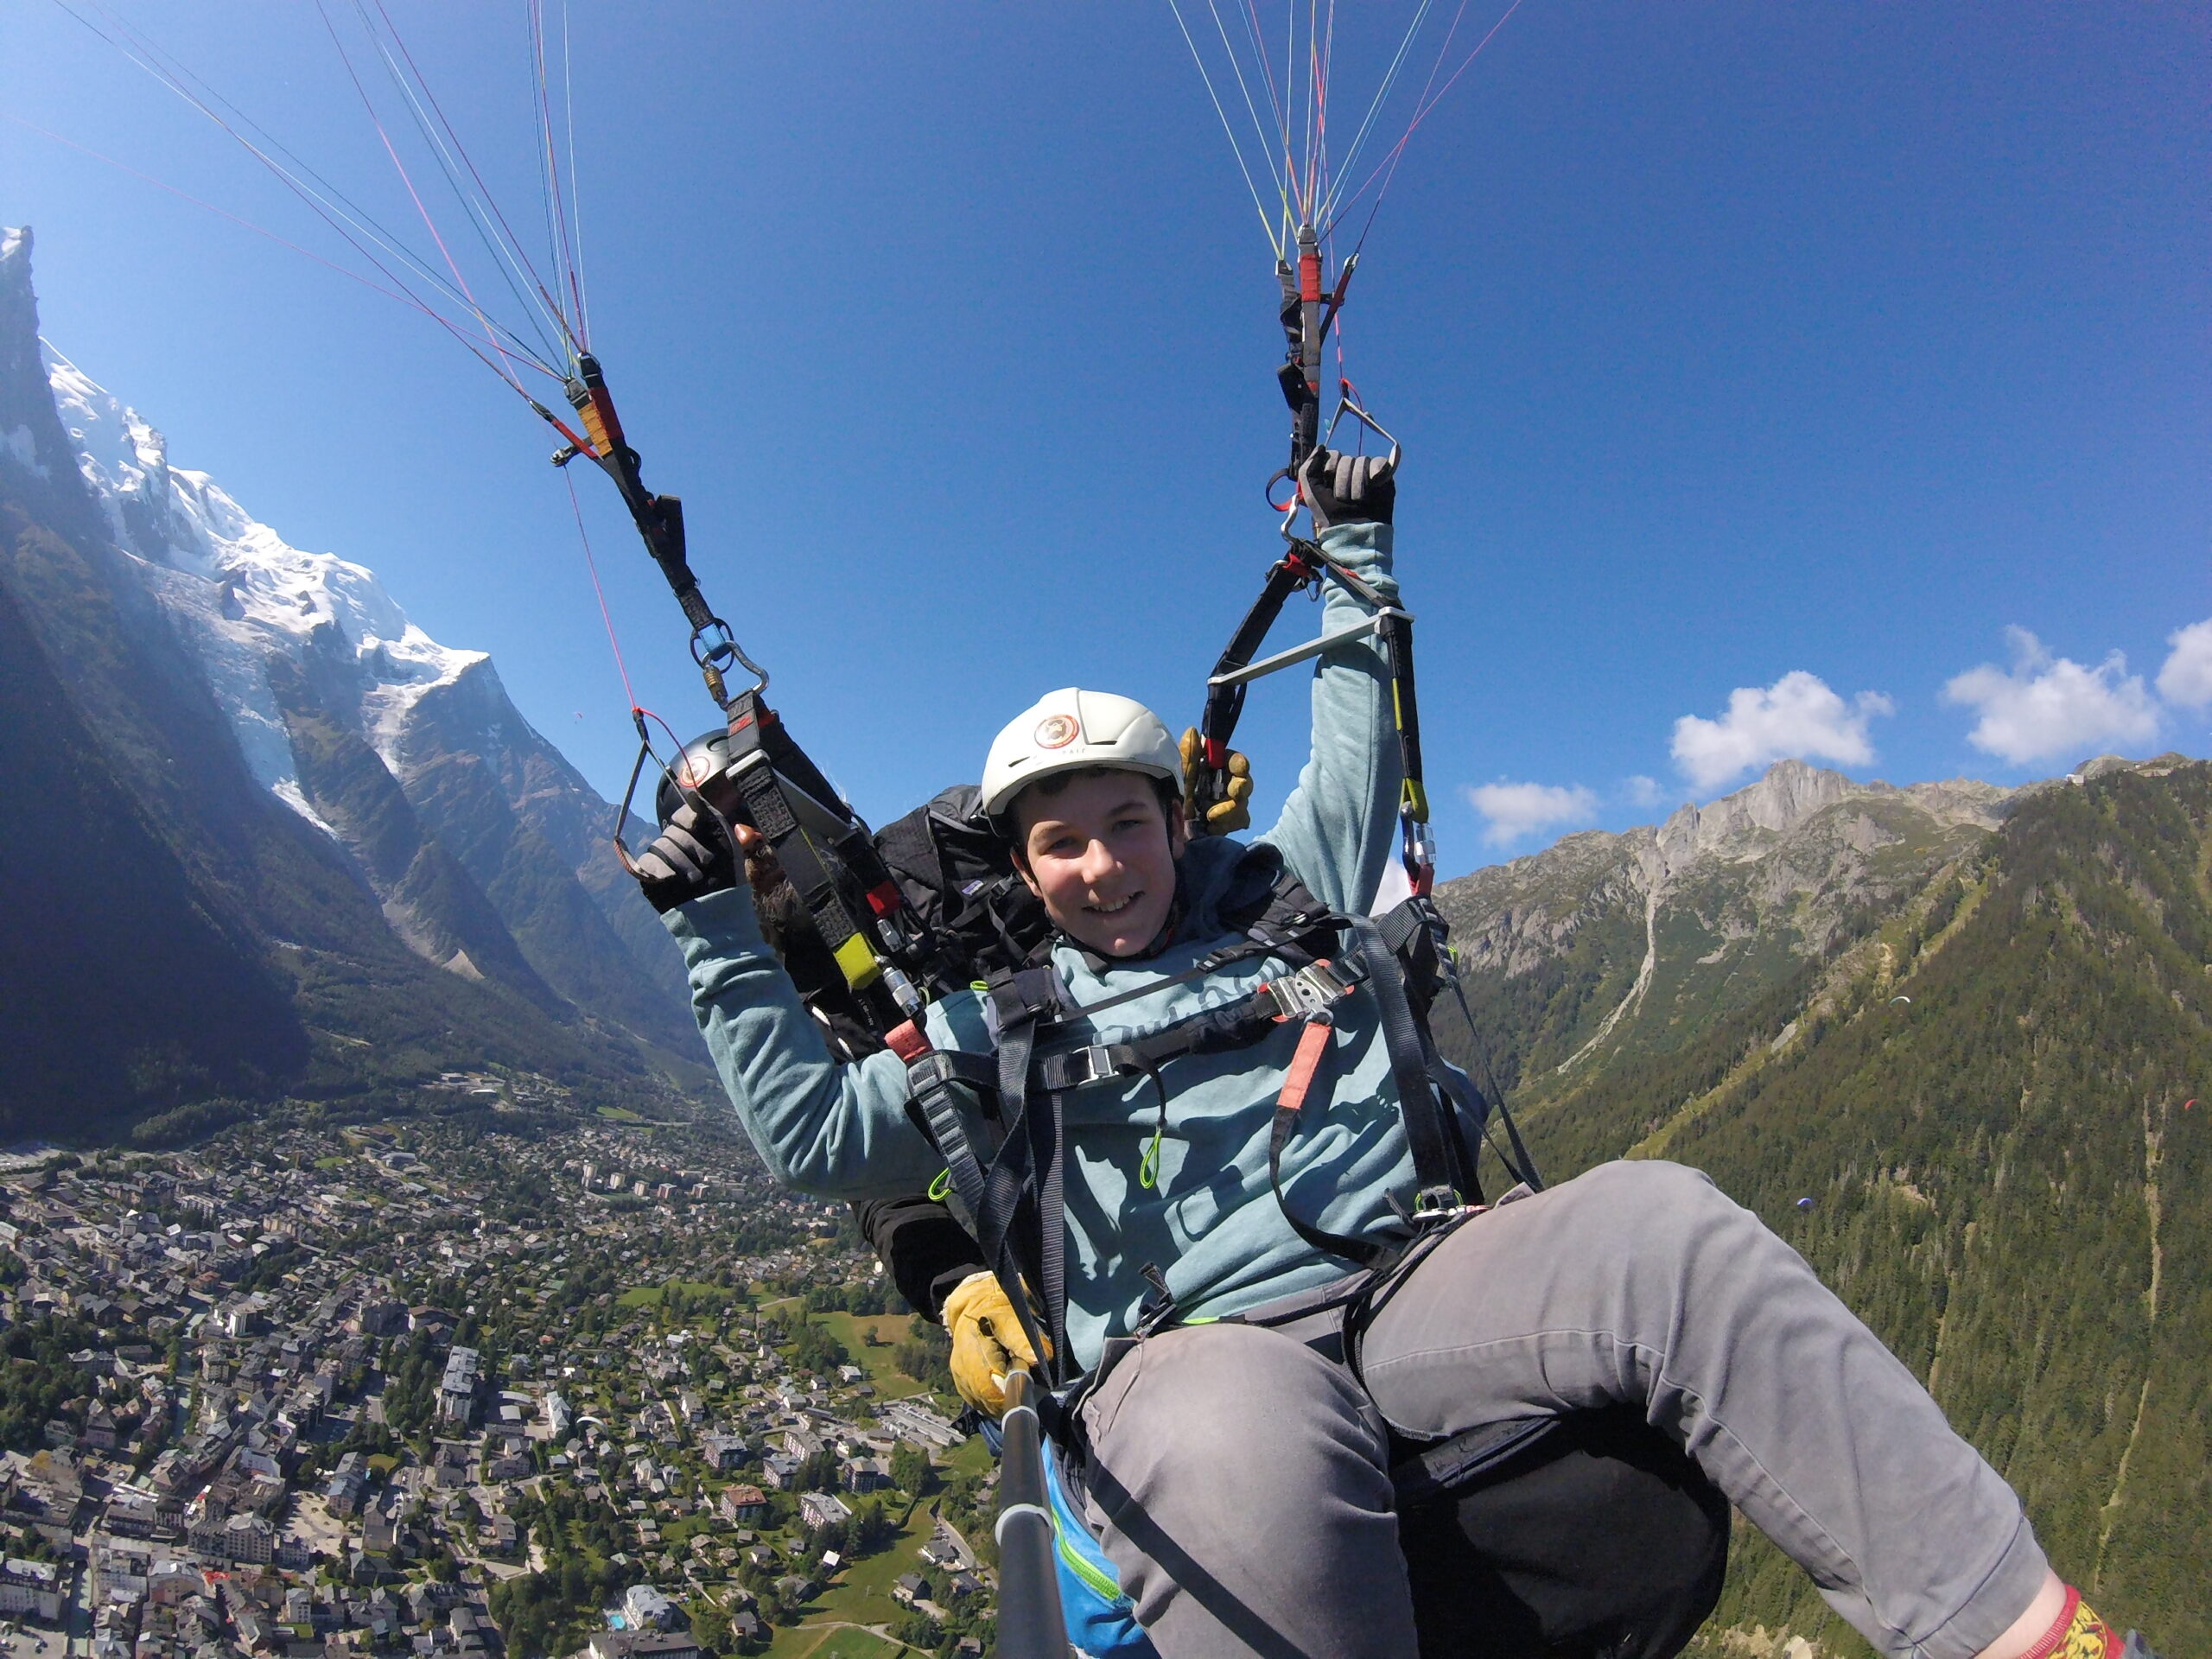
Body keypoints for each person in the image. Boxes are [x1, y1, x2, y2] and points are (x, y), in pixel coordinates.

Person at [632, 448, 2152, 1659]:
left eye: (1126, 825)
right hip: (1187, 1348)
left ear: (1177, 824)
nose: (1102, 865)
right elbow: (819, 1142)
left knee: (1667, 1227)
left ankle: (2022, 1635)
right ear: (1026, 874)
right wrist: (710, 923)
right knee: (1239, 1447)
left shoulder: (1283, 907)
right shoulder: (991, 1026)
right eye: (1062, 844)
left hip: (1409, 1282)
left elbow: (1352, 757)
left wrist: (1358, 562)